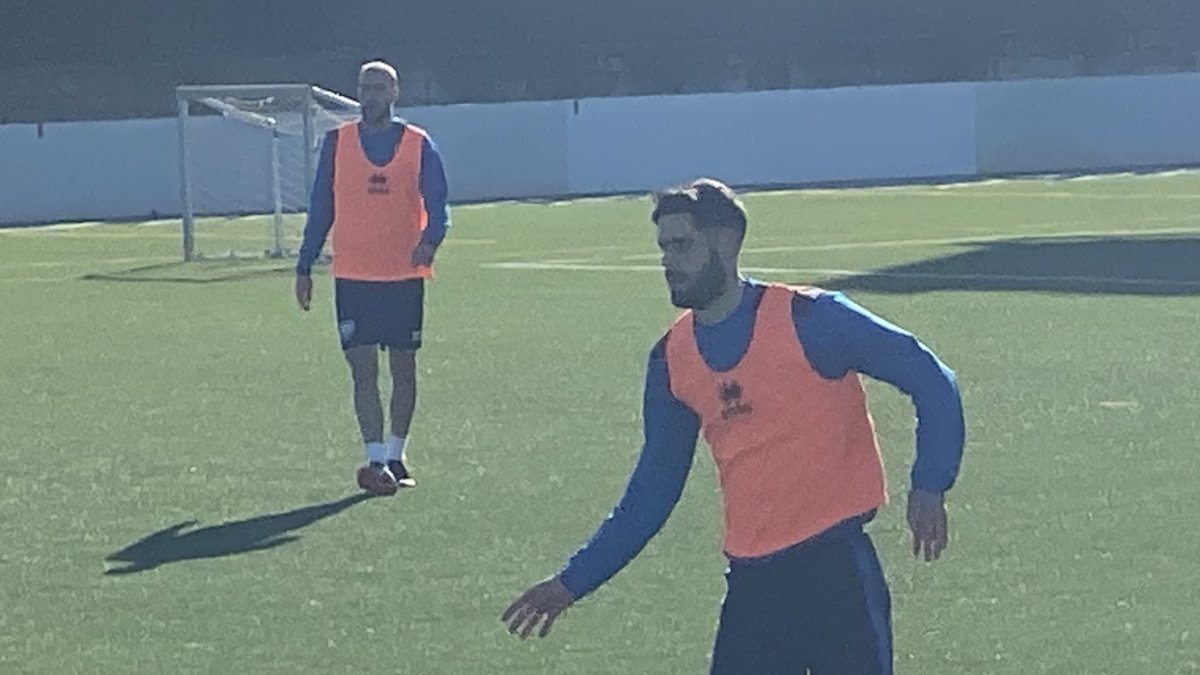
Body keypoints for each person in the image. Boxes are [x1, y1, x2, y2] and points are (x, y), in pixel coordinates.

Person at [502, 179, 966, 674]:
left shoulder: (812, 319)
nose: (668, 262)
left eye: (682, 245)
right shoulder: (671, 360)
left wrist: (930, 482)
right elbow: (652, 491)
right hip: (754, 588)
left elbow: (932, 379)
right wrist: (571, 583)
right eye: (663, 248)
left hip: (838, 576)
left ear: (726, 242)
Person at [294, 59, 451, 496]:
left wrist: (430, 241)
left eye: (380, 88)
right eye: (365, 87)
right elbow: (321, 207)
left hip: (402, 276)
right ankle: (375, 458)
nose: (371, 95)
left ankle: (397, 454)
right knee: (362, 370)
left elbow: (439, 205)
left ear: (394, 93)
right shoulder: (337, 143)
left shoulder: (418, 144)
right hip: (353, 276)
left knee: (403, 368)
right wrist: (305, 264)